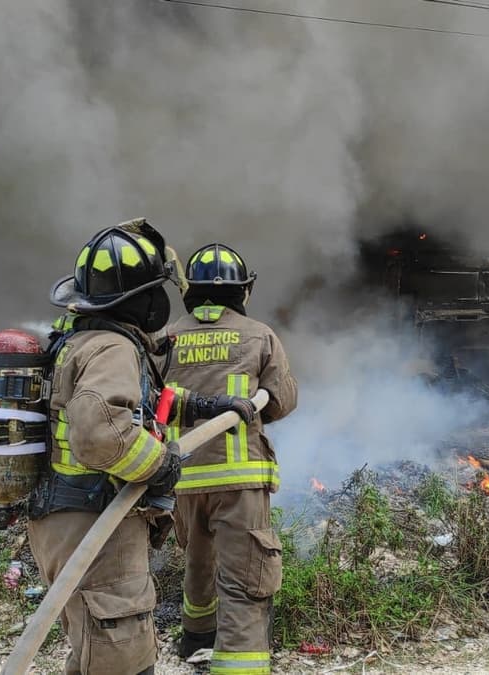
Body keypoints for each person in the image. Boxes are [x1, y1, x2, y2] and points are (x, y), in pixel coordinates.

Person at [28, 220, 256, 675]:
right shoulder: (113, 347)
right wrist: (160, 465)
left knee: (93, 650)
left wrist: (208, 405)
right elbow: (100, 433)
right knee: (122, 660)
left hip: (66, 520)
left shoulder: (79, 340)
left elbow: (143, 409)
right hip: (97, 522)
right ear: (145, 299)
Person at [165, 243, 298, 675]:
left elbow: (153, 404)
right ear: (243, 290)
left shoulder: (164, 338)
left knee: (197, 559)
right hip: (240, 481)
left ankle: (197, 635)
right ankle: (238, 665)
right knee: (244, 580)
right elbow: (281, 401)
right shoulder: (259, 335)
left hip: (182, 478)